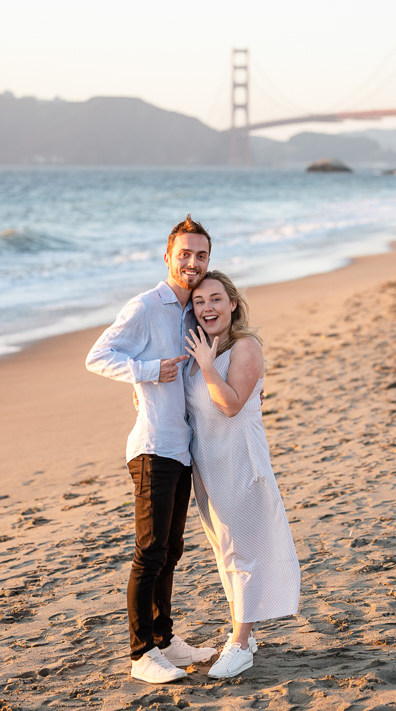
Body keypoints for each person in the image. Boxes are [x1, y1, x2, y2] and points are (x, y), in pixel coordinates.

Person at [85, 215, 217, 684]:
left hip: (181, 449)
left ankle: (165, 639)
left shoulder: (192, 311)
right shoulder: (146, 305)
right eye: (185, 254)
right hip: (151, 449)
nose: (193, 262)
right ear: (168, 256)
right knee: (149, 552)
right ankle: (142, 654)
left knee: (171, 549)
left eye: (201, 255)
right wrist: (147, 369)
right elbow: (97, 356)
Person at [184, 270, 301, 679]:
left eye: (215, 299)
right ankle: (244, 634)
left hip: (240, 460)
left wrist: (207, 367)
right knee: (226, 551)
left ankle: (239, 644)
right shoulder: (201, 348)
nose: (208, 308)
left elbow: (231, 405)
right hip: (210, 465)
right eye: (199, 302)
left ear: (233, 303)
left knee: (244, 551)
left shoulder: (244, 347)